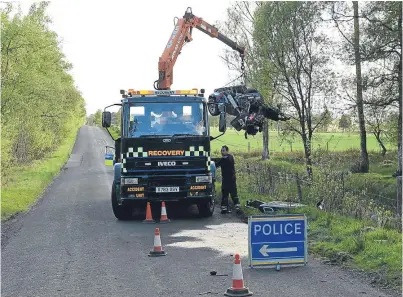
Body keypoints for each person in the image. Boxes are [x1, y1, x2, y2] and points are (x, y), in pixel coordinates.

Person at [214, 145, 240, 214]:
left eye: (223, 150)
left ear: (227, 151)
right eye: (221, 150)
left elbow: (216, 164)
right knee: (225, 195)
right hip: (227, 179)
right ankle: (225, 209)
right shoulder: (229, 157)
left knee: (233, 194)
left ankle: (237, 209)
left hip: (230, 179)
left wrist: (211, 162)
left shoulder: (227, 158)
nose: (222, 152)